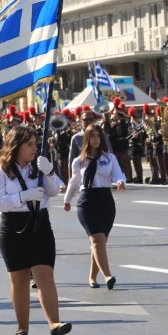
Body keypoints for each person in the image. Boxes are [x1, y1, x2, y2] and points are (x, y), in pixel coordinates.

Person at [0, 126, 71, 335]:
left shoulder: (39, 167)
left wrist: (50, 172)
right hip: (13, 229)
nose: (35, 148)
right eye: (30, 144)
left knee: (45, 275)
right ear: (17, 147)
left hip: (40, 226)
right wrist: (23, 196)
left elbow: (55, 191)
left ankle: (54, 323)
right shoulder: (1, 172)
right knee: (20, 280)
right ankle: (22, 326)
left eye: (35, 143)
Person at [63, 123, 126, 289]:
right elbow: (75, 182)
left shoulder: (109, 158)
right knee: (97, 240)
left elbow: (118, 173)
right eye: (92, 136)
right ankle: (107, 276)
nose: (96, 139)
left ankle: (92, 277)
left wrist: (120, 181)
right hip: (87, 201)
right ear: (86, 139)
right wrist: (67, 200)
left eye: (98, 136)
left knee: (100, 242)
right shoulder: (79, 161)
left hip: (105, 200)